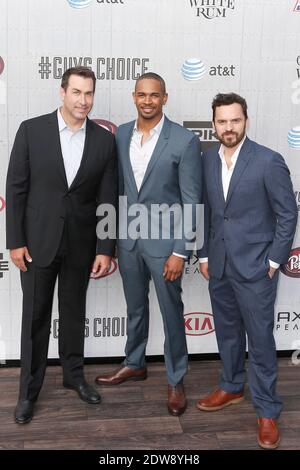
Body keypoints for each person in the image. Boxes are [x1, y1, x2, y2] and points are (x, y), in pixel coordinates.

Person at [6, 66, 118, 424]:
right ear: (62, 92)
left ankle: (74, 377)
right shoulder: (31, 130)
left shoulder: (103, 140)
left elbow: (108, 198)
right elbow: (16, 189)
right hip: (37, 244)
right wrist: (15, 241)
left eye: (89, 94)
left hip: (81, 245)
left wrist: (105, 247)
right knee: (35, 319)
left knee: (73, 314)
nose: (83, 101)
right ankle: (28, 392)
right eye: (76, 93)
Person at [95, 73, 202, 416]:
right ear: (134, 96)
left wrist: (180, 251)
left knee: (172, 313)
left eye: (154, 95)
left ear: (165, 98)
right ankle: (134, 362)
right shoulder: (122, 133)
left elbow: (192, 201)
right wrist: (110, 241)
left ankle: (176, 378)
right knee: (135, 307)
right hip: (128, 241)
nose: (147, 101)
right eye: (142, 94)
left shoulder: (184, 140)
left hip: (166, 247)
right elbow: (119, 190)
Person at [197, 93, 298, 449]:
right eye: (222, 121)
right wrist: (204, 255)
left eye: (235, 120)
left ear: (246, 120)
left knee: (260, 340)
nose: (229, 127)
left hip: (256, 268)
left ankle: (268, 410)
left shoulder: (268, 161)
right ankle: (231, 386)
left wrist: (273, 261)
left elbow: (288, 214)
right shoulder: (207, 160)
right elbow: (206, 212)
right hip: (220, 266)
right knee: (226, 333)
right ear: (214, 125)